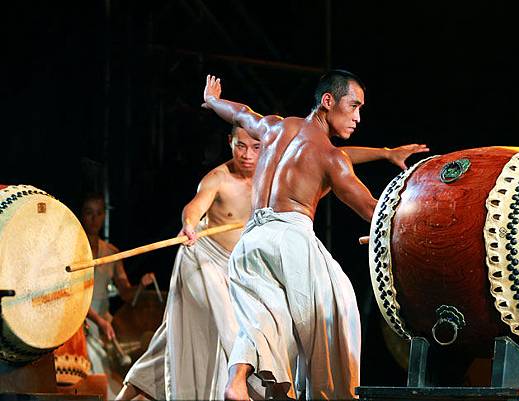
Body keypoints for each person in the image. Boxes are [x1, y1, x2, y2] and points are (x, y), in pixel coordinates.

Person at [115, 123, 427, 400]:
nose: (247, 154)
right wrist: (189, 224)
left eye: (255, 147)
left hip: (240, 268)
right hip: (203, 259)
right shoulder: (220, 177)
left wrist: (385, 153)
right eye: (240, 146)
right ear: (230, 143)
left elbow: (335, 155)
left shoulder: (272, 174)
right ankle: (239, 387)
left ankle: (129, 392)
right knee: (232, 328)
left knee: (177, 339)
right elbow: (195, 206)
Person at [201, 70, 428, 400]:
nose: (358, 117)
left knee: (267, 318)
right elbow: (371, 209)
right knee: (337, 311)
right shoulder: (331, 158)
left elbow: (239, 113)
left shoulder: (274, 127)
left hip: (250, 242)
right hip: (291, 241)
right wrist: (418, 227)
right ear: (328, 101)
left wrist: (212, 101)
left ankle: (237, 380)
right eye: (354, 106)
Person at [79, 192, 155, 399]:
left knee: (120, 368)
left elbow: (126, 293)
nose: (94, 219)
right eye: (89, 213)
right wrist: (98, 321)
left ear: (104, 215)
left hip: (104, 323)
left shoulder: (112, 252)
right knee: (95, 364)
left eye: (99, 213)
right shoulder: (74, 249)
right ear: (82, 215)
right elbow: (73, 296)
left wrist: (141, 286)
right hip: (80, 319)